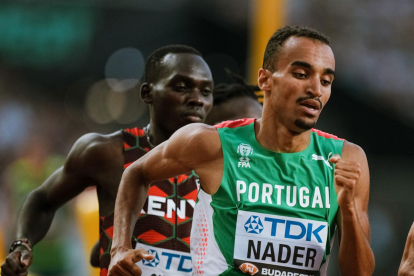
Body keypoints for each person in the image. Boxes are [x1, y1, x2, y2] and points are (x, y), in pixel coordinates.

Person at [108, 26, 375, 276]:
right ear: (265, 79)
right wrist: (119, 247)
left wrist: (348, 209)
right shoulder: (211, 144)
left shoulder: (347, 159)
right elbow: (136, 173)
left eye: (326, 80)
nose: (316, 89)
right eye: (301, 75)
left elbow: (360, 272)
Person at [1, 44, 214, 276]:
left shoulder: (221, 162)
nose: (197, 99)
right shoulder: (107, 153)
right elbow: (42, 200)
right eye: (182, 87)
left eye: (206, 91)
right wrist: (22, 244)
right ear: (147, 93)